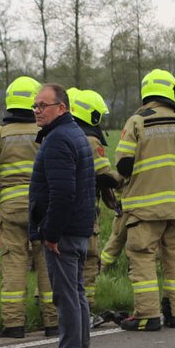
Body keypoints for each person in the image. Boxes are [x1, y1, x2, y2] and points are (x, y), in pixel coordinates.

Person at [114, 69, 175, 332]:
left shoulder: (137, 122)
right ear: (171, 91)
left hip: (145, 209)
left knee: (142, 257)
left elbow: (123, 165)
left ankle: (147, 316)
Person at [27, 84, 97, 348]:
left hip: (64, 233)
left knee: (66, 299)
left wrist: (50, 233)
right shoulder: (75, 134)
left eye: (44, 105)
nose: (37, 111)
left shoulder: (57, 140)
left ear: (62, 108)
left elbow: (63, 192)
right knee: (77, 296)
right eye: (35, 106)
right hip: (79, 228)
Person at [0, 77, 53, 338]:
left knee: (14, 263)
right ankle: (52, 322)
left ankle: (14, 324)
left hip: (11, 209)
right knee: (46, 262)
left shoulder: (0, 134)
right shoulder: (46, 131)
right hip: (43, 208)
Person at [67, 87, 119, 312]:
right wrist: (124, 180)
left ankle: (60, 308)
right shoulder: (91, 140)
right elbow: (104, 176)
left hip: (63, 208)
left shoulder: (64, 135)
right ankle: (86, 309)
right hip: (85, 212)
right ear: (93, 114)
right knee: (88, 260)